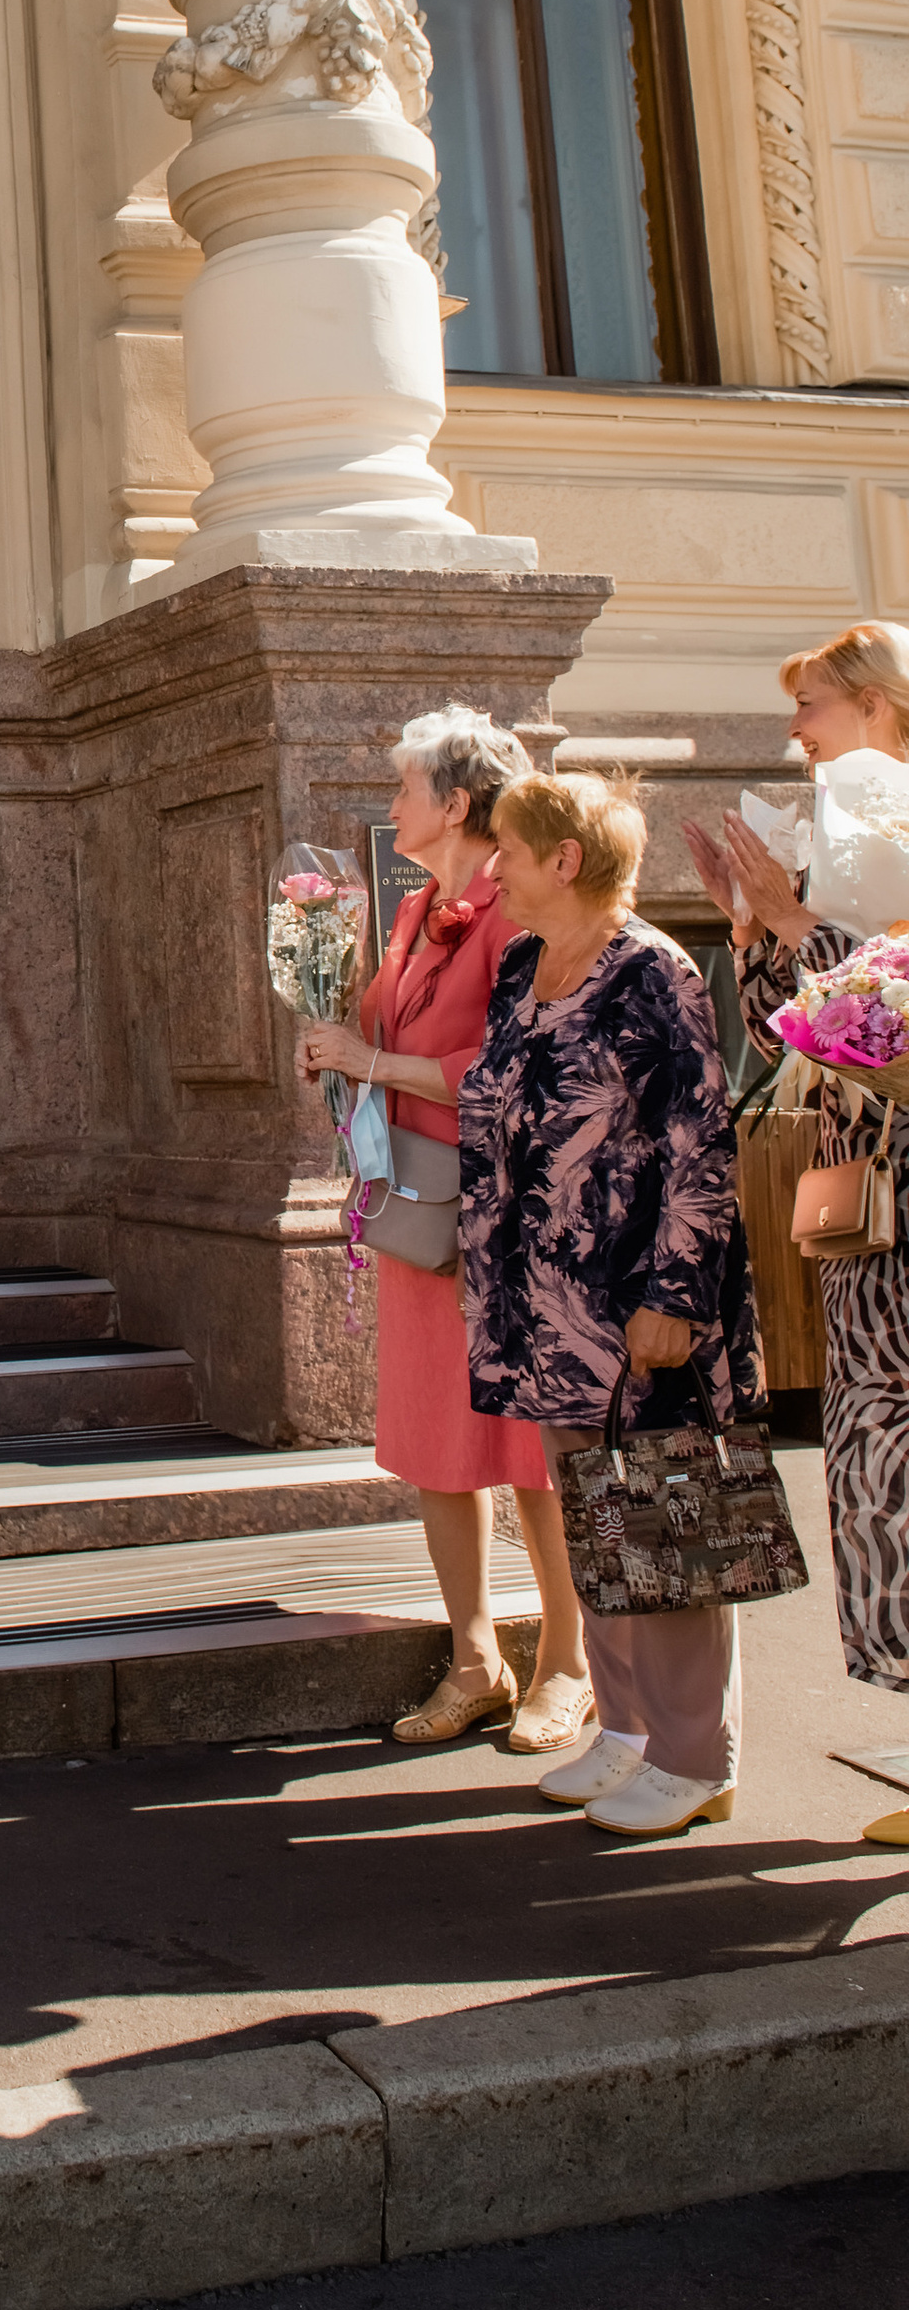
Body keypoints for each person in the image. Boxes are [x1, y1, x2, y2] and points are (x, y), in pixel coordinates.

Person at [460, 769, 765, 1840]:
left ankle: (694, 1757)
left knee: (662, 1520)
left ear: (565, 859)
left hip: (639, 1298)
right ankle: (629, 1733)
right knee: (599, 1519)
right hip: (544, 1298)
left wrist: (674, 1293)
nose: (489, 867)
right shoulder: (520, 965)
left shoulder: (653, 973)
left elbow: (700, 1140)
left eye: (506, 848)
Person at [295, 708, 593, 1752]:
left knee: (531, 1448)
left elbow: (510, 1076)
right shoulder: (413, 907)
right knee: (436, 1440)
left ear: (455, 801)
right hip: (420, 1212)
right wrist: (336, 1037)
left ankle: (567, 1662)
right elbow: (391, 1030)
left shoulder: (512, 914)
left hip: (505, 1215)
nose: (390, 804)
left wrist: (371, 1061)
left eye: (404, 786)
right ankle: (473, 1659)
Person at [687, 618, 909, 1846]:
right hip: (856, 1197)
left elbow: (887, 1004)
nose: (794, 727)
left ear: (878, 701)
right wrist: (761, 929)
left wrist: (807, 935)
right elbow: (799, 1038)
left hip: (903, 1196)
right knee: (874, 1464)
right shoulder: (836, 833)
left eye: (813, 703)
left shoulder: (898, 824)